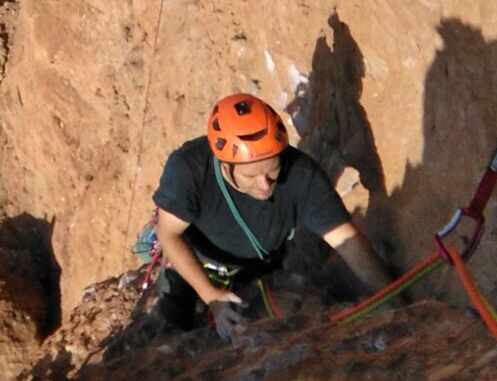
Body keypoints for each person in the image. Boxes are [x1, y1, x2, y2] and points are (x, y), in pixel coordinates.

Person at [151, 93, 390, 340]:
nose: (265, 186)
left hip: (261, 265)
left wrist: (392, 296)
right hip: (200, 260)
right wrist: (211, 296)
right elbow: (168, 235)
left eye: (272, 171)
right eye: (251, 177)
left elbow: (348, 243)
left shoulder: (301, 175)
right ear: (224, 165)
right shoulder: (189, 170)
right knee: (172, 317)